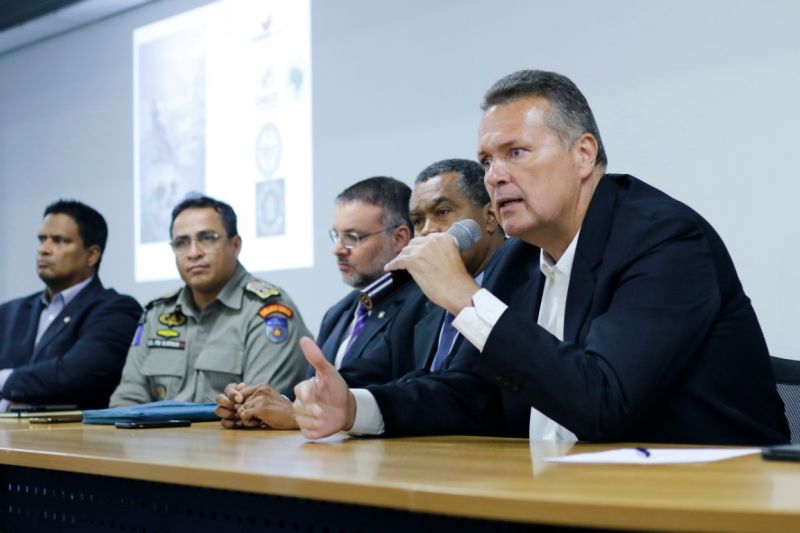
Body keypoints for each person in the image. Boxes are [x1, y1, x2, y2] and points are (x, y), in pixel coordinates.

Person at [292, 70, 790, 445]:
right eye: (487, 160)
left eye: (516, 153)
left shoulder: (666, 240)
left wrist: (468, 301)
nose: (494, 176)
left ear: (583, 154)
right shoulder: (518, 260)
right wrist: (355, 408)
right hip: (569, 493)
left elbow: (602, 401)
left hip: (711, 498)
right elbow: (470, 393)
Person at [215, 177, 419, 428]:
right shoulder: (338, 313)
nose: (337, 249)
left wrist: (295, 412)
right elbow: (312, 389)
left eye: (353, 237)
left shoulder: (422, 304)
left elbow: (403, 390)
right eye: (336, 235)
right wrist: (254, 405)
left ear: (399, 238)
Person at [109, 195, 310, 406]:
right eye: (181, 243)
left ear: (235, 245)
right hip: (157, 438)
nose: (193, 253)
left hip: (235, 439)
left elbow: (259, 410)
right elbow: (127, 399)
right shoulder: (157, 313)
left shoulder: (268, 311)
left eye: (207, 238)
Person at [0, 200, 141, 409]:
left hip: (74, 438)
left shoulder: (116, 310)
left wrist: (4, 380)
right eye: (42, 239)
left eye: (58, 241)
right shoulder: (9, 312)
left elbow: (75, 374)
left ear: (92, 254)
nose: (44, 249)